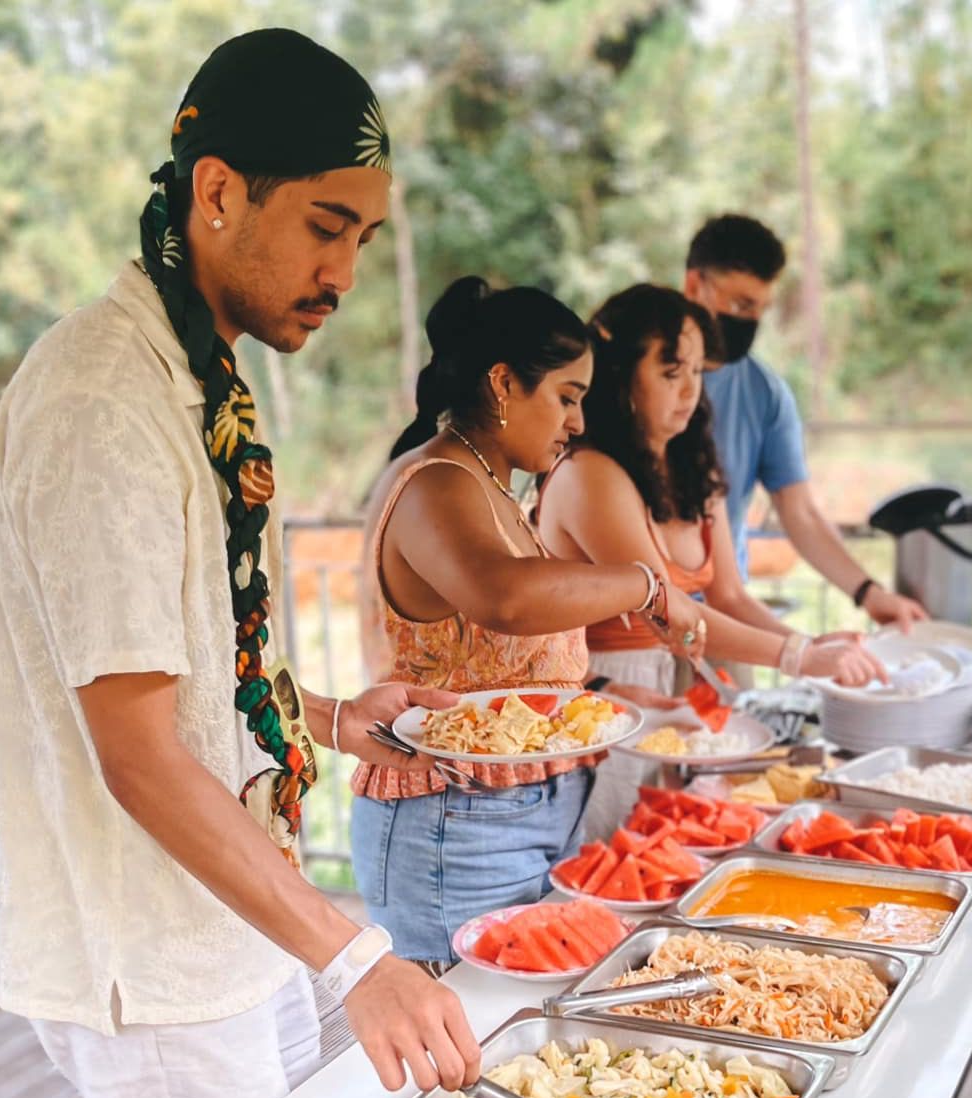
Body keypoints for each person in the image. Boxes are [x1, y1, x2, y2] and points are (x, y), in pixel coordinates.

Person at [0, 31, 478, 1098]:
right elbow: (138, 754)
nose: (344, 275)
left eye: (362, 239)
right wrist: (359, 961)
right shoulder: (101, 400)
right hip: (158, 953)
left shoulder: (195, 377)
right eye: (324, 227)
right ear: (217, 193)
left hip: (240, 915)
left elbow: (195, 677)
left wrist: (335, 720)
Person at [351, 276, 702, 966]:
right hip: (456, 822)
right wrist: (647, 586)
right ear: (504, 383)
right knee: (476, 1019)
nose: (579, 422)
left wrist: (596, 692)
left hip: (521, 814)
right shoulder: (435, 481)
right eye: (567, 398)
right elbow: (504, 599)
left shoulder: (491, 487)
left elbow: (494, 662)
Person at [535, 284, 884, 837]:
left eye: (698, 372)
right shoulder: (590, 474)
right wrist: (798, 656)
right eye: (671, 372)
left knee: (675, 851)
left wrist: (813, 646)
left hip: (674, 698)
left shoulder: (692, 465)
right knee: (610, 858)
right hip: (606, 698)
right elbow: (669, 611)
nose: (690, 390)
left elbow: (730, 596)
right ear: (620, 376)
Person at [683, 214, 931, 627]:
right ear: (695, 285)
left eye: (760, 309)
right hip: (636, 620)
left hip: (723, 610)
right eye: (740, 304)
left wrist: (869, 593)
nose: (749, 322)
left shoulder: (765, 394)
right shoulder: (628, 378)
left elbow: (799, 513)